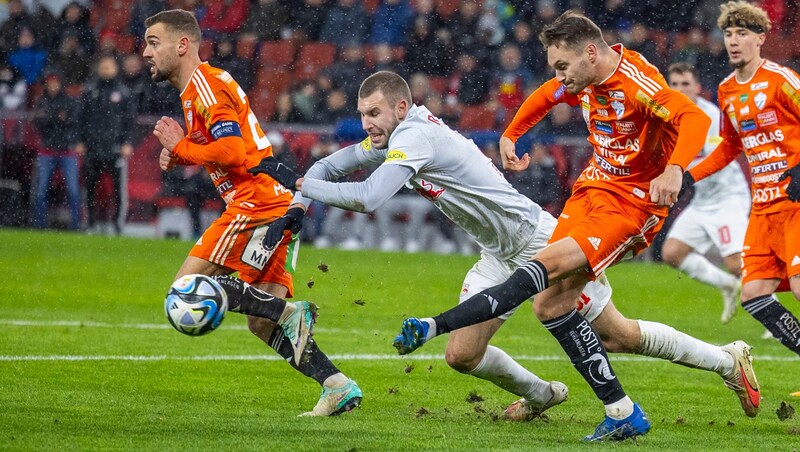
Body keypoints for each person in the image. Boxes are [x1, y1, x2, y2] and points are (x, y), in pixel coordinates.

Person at [248, 71, 760, 437]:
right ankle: (544, 394)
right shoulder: (397, 134)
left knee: (618, 335)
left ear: (400, 108)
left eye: (374, 113)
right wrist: (297, 199)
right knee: (461, 356)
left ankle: (725, 360)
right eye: (361, 115)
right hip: (497, 252)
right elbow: (335, 168)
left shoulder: (415, 136)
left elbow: (368, 197)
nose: (366, 124)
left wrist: (298, 183)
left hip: (541, 240)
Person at [382, 11, 761, 441]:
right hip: (590, 194)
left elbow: (694, 118)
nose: (560, 75)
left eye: (563, 65)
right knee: (588, 323)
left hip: (631, 206)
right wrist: (513, 133)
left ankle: (619, 411)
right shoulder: (581, 76)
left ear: (591, 53)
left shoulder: (637, 84)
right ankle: (723, 363)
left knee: (546, 288)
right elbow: (548, 93)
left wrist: (674, 169)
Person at [142, 9, 361, 416]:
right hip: (276, 203)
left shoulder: (205, 85)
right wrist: (183, 152)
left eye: (153, 42)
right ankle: (337, 385)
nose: (145, 52)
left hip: (255, 201)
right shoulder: (199, 90)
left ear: (182, 44)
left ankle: (290, 311)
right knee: (260, 322)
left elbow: (233, 152)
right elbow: (224, 144)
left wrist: (184, 148)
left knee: (184, 288)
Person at [682, 1, 800, 357]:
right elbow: (730, 146)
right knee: (753, 294)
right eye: (729, 33)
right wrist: (690, 175)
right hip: (763, 210)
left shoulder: (781, 80)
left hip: (794, 202)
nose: (733, 40)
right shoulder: (726, 90)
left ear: (761, 38)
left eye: (743, 33)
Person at [662, 62, 750, 323]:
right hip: (702, 201)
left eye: (685, 84)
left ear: (698, 88)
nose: (680, 89)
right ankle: (726, 285)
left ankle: (770, 306)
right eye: (674, 84)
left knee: (737, 264)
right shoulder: (667, 118)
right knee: (672, 252)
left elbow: (715, 161)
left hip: (728, 197)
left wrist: (675, 173)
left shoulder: (709, 117)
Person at [76, 54, 136, 235]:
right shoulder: (90, 90)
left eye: (109, 66)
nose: (106, 69)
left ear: (116, 68)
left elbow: (130, 121)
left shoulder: (124, 93)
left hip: (115, 148)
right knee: (90, 188)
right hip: (93, 148)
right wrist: (80, 141)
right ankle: (91, 223)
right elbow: (81, 118)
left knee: (118, 190)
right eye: (103, 66)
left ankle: (118, 225)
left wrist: (127, 142)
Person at [31, 71, 82, 230]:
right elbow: (37, 121)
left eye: (55, 83)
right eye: (50, 83)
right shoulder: (42, 101)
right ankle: (39, 225)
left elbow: (73, 121)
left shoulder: (67, 101)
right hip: (47, 151)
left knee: (73, 191)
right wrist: (57, 117)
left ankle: (76, 225)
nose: (53, 86)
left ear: (60, 84)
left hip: (66, 151)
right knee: (41, 191)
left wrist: (50, 118)